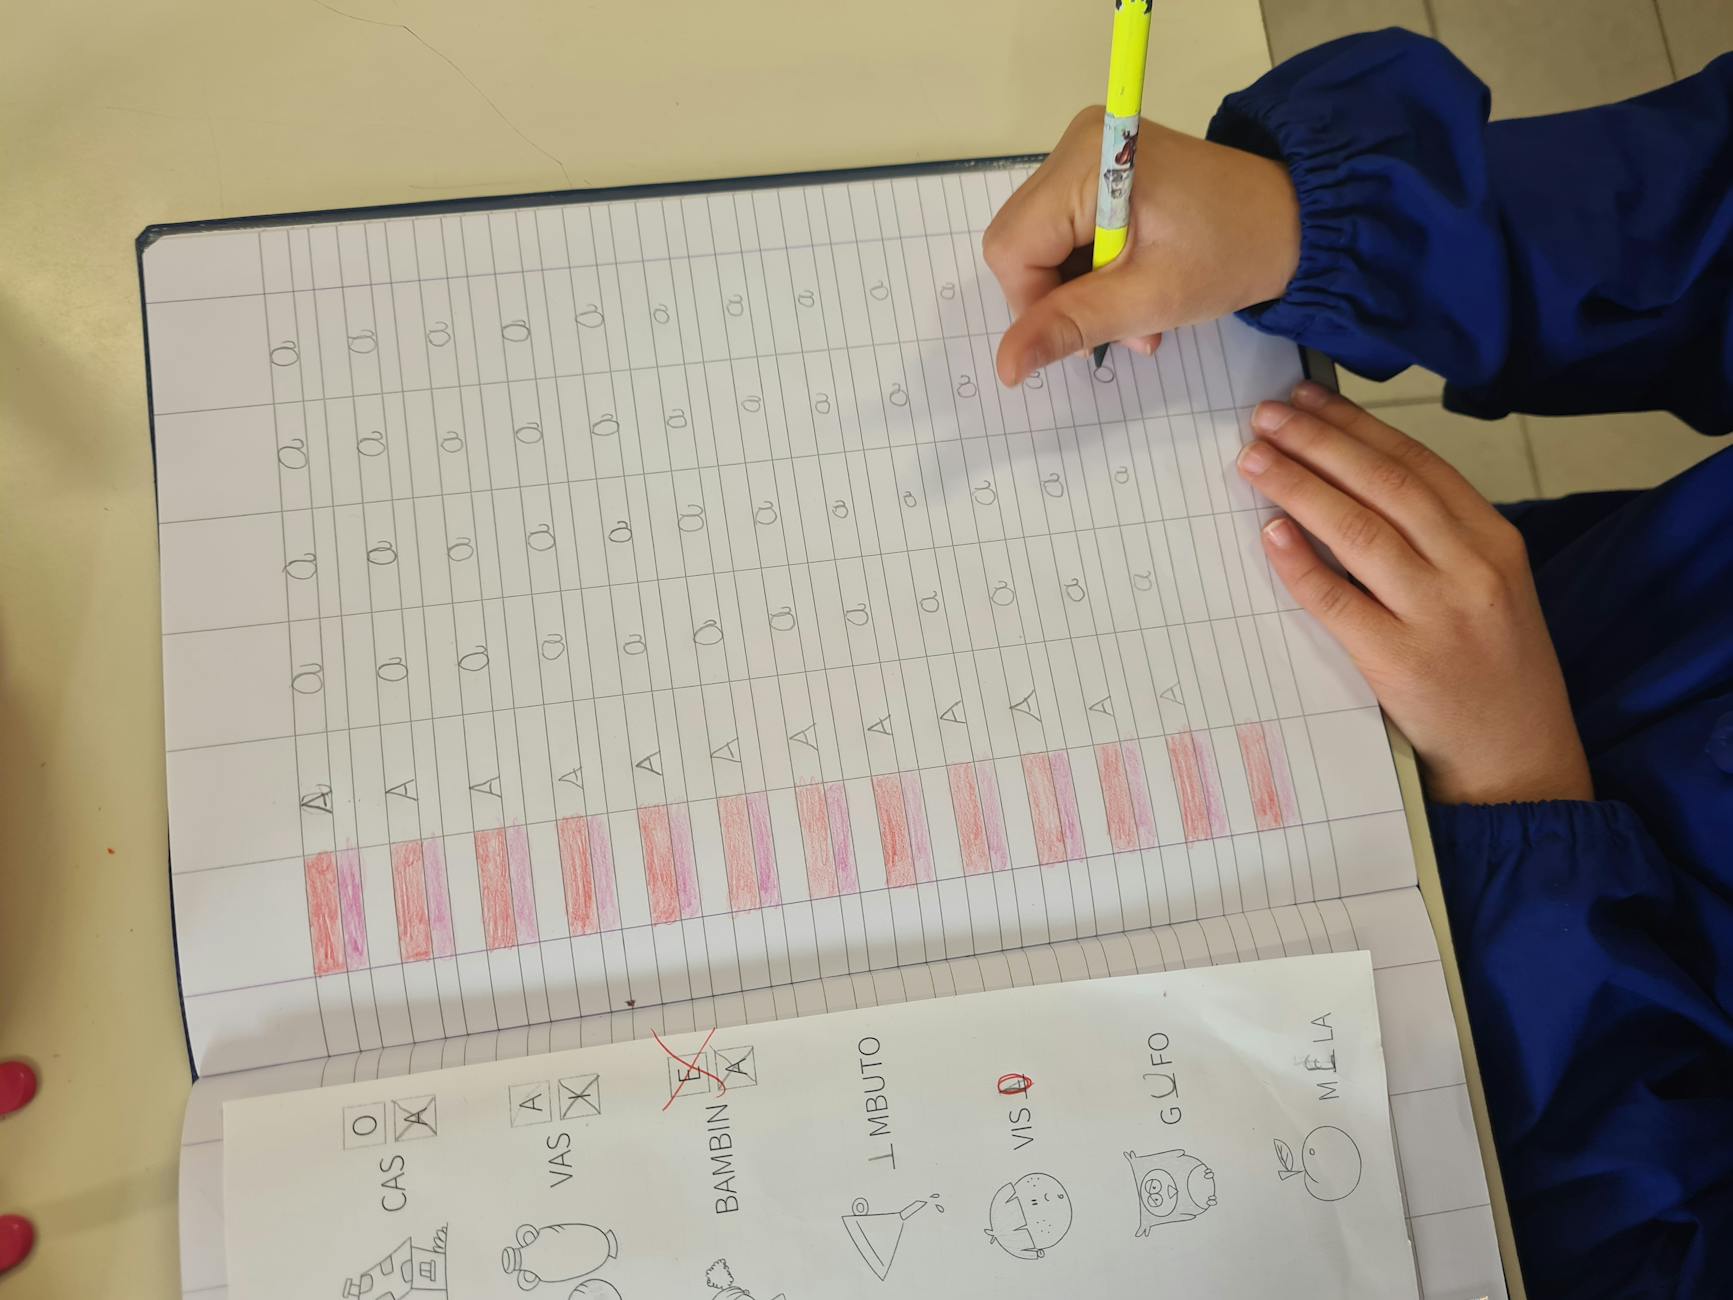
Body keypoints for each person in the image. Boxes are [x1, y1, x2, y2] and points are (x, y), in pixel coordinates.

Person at [984, 28, 1732, 1299]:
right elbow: (1696, 217)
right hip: (1515, 632)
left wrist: (1517, 794)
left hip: (1471, 1021)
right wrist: (1313, 221)